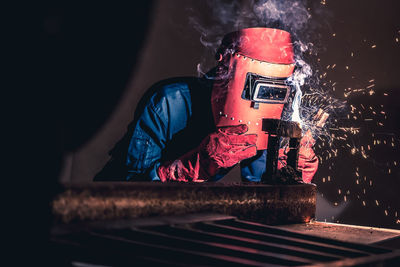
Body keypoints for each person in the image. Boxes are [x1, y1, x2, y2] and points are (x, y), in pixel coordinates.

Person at [98, 27, 318, 183]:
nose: (266, 96)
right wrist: (190, 167)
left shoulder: (270, 113)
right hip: (108, 211)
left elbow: (258, 185)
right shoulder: (168, 102)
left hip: (188, 217)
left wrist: (287, 174)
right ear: (226, 68)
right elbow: (129, 183)